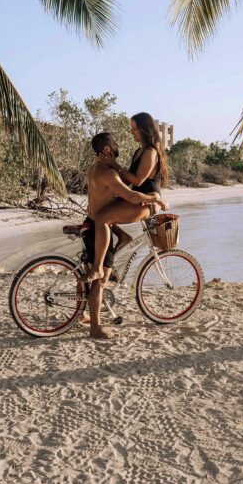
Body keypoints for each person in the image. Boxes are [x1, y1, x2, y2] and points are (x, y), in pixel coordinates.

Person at [82, 131, 165, 339]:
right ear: (107, 149)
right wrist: (155, 198)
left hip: (92, 223)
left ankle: (82, 315)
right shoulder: (106, 172)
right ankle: (95, 329)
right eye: (114, 142)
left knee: (88, 274)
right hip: (98, 228)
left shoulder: (99, 167)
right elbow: (130, 195)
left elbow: (117, 196)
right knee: (100, 280)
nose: (118, 144)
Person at [92, 111, 169, 268]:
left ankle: (100, 266)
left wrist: (114, 165)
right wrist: (108, 179)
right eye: (132, 128)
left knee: (102, 218)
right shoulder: (139, 151)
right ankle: (122, 239)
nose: (131, 132)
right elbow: (128, 180)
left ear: (144, 130)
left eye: (134, 129)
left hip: (147, 202)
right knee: (97, 211)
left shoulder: (150, 152)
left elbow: (138, 180)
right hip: (138, 199)